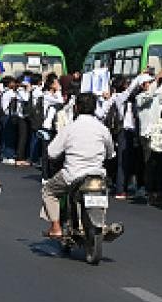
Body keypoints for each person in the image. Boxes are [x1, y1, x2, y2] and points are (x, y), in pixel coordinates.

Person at [41, 92, 115, 238]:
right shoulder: (102, 129)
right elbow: (111, 153)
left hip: (72, 175)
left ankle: (55, 227)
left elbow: (52, 152)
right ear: (95, 108)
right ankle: (101, 223)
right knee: (102, 192)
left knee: (48, 191)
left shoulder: (70, 128)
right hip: (97, 175)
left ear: (76, 108)